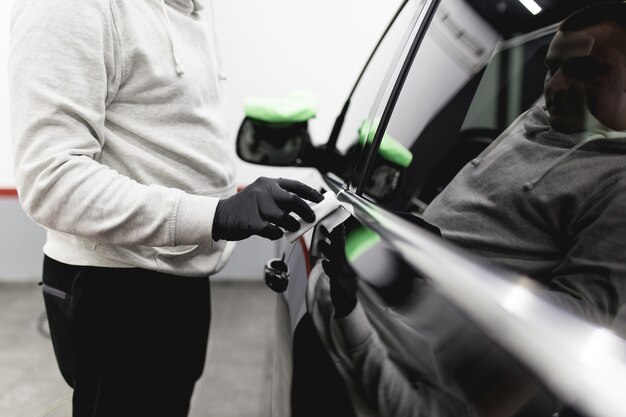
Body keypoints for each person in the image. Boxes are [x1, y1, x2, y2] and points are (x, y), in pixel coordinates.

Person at [310, 3, 626, 417]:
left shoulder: (617, 182)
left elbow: (579, 324)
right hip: (363, 314)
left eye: (586, 70)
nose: (558, 86)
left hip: (417, 362)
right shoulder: (541, 119)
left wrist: (435, 271)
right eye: (552, 67)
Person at [8, 0, 322, 416]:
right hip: (115, 287)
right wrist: (214, 215)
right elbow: (51, 179)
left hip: (180, 270)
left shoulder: (189, 8)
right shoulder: (70, 7)